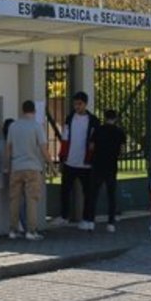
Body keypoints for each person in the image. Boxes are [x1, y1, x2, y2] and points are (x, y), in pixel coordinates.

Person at [5, 99, 51, 241]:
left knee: (14, 199)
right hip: (32, 167)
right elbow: (43, 149)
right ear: (34, 111)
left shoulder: (13, 126)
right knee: (32, 199)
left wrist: (7, 166)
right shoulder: (37, 127)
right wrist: (52, 166)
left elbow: (8, 148)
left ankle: (13, 230)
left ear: (22, 110)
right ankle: (31, 231)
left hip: (16, 167)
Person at [54, 91, 100, 231]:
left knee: (89, 192)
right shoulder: (70, 118)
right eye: (75, 104)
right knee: (65, 190)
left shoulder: (93, 120)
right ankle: (64, 216)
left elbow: (96, 139)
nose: (77, 107)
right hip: (70, 162)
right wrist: (62, 158)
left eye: (79, 104)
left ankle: (88, 219)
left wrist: (93, 156)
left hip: (86, 163)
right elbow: (65, 138)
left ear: (85, 104)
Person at [91, 109, 126, 232]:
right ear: (115, 118)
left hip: (98, 165)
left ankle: (91, 221)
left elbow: (91, 146)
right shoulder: (119, 132)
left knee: (94, 194)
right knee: (111, 195)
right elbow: (122, 150)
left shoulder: (98, 130)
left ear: (104, 117)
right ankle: (111, 222)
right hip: (111, 166)